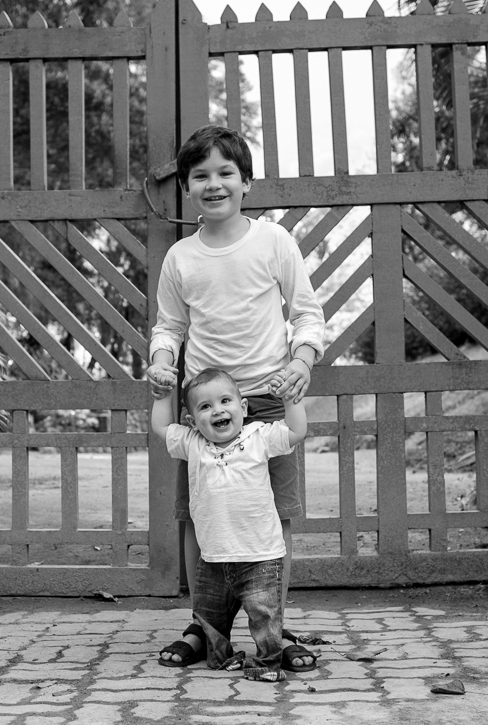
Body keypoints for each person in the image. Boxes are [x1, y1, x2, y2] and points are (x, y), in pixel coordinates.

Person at [146, 124, 324, 672]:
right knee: (200, 517)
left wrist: (301, 361)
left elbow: (306, 314)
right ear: (186, 186)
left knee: (274, 518)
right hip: (206, 410)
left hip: (269, 401)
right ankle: (204, 627)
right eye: (200, 175)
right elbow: (169, 326)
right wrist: (161, 360)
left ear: (247, 182)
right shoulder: (181, 257)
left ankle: (271, 622)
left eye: (226, 173)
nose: (214, 184)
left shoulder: (273, 242)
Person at [151, 368, 306, 677]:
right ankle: (222, 657)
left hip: (260, 555)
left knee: (265, 616)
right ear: (193, 421)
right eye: (205, 406)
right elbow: (160, 426)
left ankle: (267, 663)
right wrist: (162, 394)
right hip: (213, 557)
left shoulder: (259, 436)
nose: (218, 410)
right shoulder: (193, 443)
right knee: (209, 616)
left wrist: (290, 399)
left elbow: (296, 431)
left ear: (243, 409)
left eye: (225, 401)